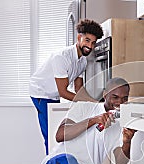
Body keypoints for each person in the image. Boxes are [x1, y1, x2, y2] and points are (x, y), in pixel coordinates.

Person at [30, 19, 104, 155]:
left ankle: (58, 162)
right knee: (51, 134)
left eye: (93, 43)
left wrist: (94, 103)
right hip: (41, 93)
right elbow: (63, 92)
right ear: (79, 38)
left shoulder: (82, 61)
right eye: (87, 40)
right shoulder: (62, 57)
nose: (90, 46)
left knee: (56, 130)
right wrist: (86, 102)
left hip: (54, 94)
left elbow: (79, 90)